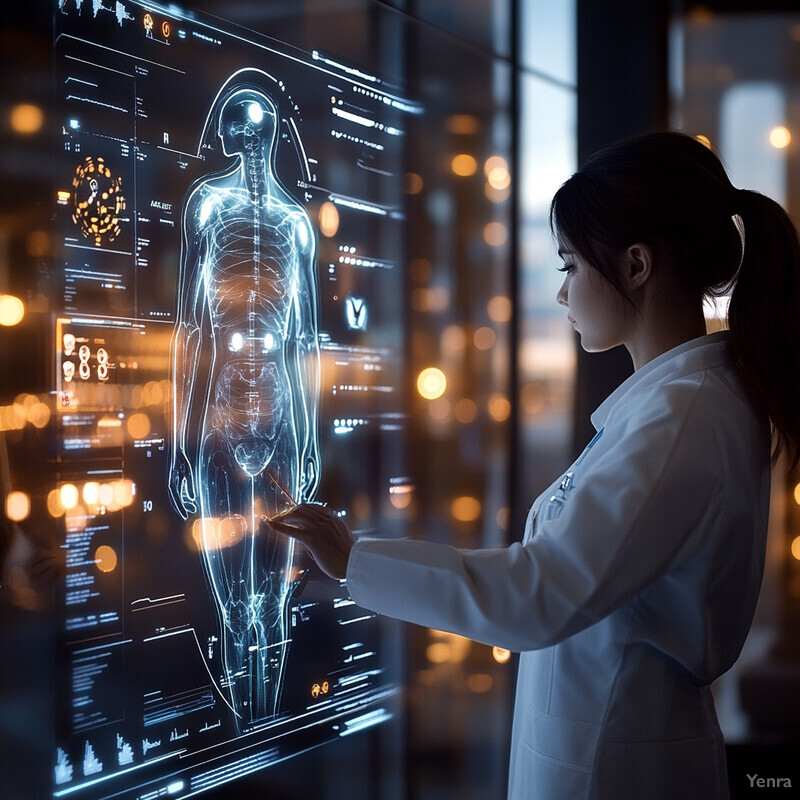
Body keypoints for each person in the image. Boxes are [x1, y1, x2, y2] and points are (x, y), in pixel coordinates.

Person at [260, 131, 800, 798]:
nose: (564, 295)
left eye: (570, 266)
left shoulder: (680, 421)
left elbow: (537, 593)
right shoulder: (678, 408)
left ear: (635, 265)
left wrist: (354, 561)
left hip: (614, 766)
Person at [168, 84, 320, 728]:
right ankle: (242, 735)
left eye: (255, 132)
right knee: (234, 602)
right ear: (226, 136)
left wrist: (308, 441)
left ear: (271, 137)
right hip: (222, 410)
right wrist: (180, 445)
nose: (247, 145)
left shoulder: (296, 227)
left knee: (275, 599)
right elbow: (187, 329)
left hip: (281, 413)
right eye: (239, 131)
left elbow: (306, 340)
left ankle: (260, 735)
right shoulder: (206, 207)